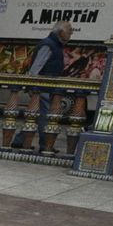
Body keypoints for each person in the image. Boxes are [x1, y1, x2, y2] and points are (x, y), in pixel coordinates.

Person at [10, 20, 73, 152]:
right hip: (42, 88)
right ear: (61, 32)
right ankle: (45, 145)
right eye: (69, 31)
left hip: (45, 88)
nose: (71, 34)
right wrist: (33, 87)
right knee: (45, 117)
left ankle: (19, 140)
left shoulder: (53, 45)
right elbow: (35, 68)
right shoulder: (49, 45)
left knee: (37, 117)